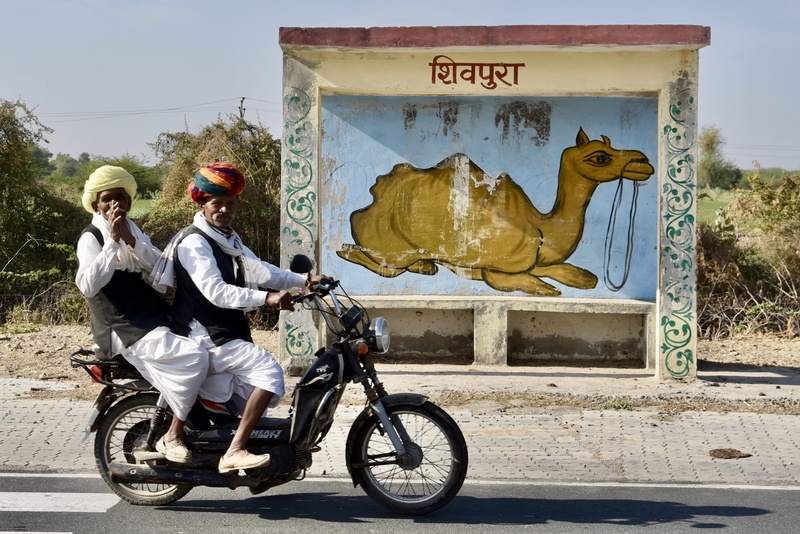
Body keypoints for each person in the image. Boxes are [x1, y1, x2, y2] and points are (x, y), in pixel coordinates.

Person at [165, 162, 328, 474]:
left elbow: (261, 270)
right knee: (269, 373)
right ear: (202, 204)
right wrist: (266, 298)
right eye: (217, 203)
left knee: (249, 397)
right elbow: (216, 292)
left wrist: (304, 280)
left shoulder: (229, 239)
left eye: (231, 203)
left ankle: (256, 448)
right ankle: (235, 451)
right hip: (203, 332)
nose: (225, 209)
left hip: (226, 330)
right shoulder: (195, 242)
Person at [75, 165, 208, 464]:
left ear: (130, 202)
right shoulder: (91, 237)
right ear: (96, 203)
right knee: (194, 358)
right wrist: (112, 242)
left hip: (149, 318)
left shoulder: (132, 228)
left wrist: (130, 240)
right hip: (123, 328)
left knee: (210, 345)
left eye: (121, 198)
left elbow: (159, 267)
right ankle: (172, 434)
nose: (115, 205)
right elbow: (88, 284)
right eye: (108, 199)